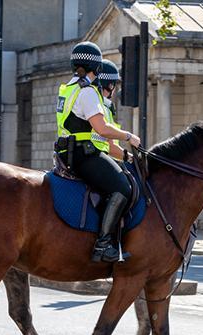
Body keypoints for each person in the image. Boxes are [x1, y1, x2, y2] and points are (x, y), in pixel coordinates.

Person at [55, 41, 141, 263]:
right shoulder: (89, 92)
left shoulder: (68, 89)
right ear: (97, 69)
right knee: (123, 186)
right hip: (84, 154)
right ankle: (103, 244)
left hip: (67, 152)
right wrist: (129, 137)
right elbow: (101, 129)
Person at [96, 59, 128, 161]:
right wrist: (132, 158)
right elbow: (111, 147)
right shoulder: (102, 106)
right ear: (110, 85)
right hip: (96, 156)